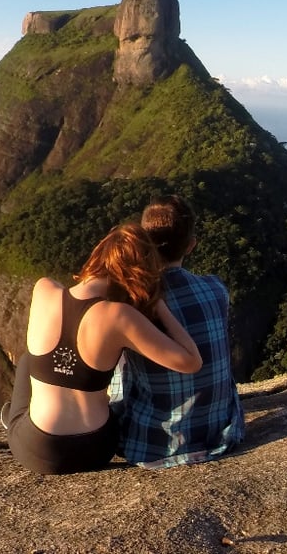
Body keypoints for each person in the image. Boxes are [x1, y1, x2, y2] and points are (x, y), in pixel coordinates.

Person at [3, 222, 203, 475]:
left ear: (98, 254)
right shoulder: (121, 316)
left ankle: (11, 418)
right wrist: (159, 305)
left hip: (41, 450)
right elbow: (191, 361)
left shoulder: (44, 288)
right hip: (97, 447)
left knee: (27, 361)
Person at [109, 195, 245, 468]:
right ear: (191, 246)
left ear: (141, 243)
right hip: (218, 434)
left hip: (149, 444)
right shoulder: (216, 289)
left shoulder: (133, 301)